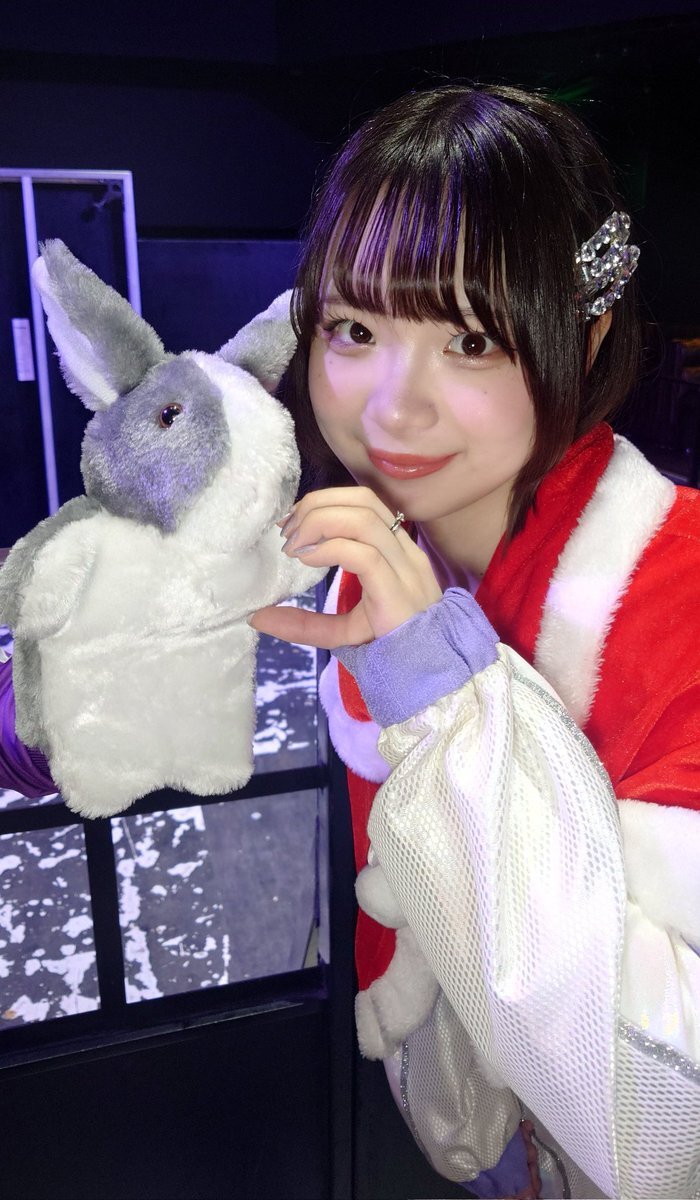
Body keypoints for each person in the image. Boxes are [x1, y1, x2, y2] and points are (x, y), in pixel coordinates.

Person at [247, 85, 700, 1199]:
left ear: (587, 334)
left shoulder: (679, 594)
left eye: (470, 340)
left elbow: (661, 1128)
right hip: (473, 1140)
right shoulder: (372, 559)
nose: (393, 409)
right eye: (355, 331)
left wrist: (435, 686)